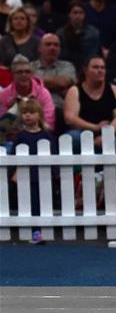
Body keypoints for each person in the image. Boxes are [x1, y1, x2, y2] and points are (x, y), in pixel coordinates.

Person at [9, 98, 57, 244]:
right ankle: (35, 232)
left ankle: (42, 231)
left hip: (43, 176)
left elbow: (54, 156)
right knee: (29, 204)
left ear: (39, 115)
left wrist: (54, 173)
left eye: (31, 112)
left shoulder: (47, 136)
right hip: (25, 176)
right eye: (24, 113)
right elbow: (13, 156)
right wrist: (14, 172)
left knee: (44, 204)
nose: (28, 115)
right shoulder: (20, 136)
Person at [62, 55, 116, 153]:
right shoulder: (75, 90)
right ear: (85, 70)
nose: (100, 71)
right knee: (72, 137)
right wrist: (95, 127)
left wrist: (107, 135)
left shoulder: (114, 90)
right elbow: (70, 118)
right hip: (82, 131)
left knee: (114, 143)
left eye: (102, 68)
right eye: (95, 67)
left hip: (108, 132)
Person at [0, 56, 56, 130]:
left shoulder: (43, 93)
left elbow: (49, 124)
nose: (24, 75)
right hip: (13, 134)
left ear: (32, 74)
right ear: (12, 75)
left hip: (39, 133)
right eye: (19, 72)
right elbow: (2, 128)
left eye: (27, 72)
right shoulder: (4, 95)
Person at [30, 33, 77, 111]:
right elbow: (25, 84)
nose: (52, 48)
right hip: (34, 109)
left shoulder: (67, 66)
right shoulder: (30, 66)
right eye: (48, 44)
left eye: (56, 45)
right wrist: (57, 87)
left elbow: (62, 83)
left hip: (59, 109)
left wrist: (35, 82)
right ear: (39, 48)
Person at [56, 0, 100, 66]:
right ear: (69, 15)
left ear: (84, 15)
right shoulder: (60, 33)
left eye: (81, 13)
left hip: (86, 66)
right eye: (75, 13)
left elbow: (92, 54)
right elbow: (60, 55)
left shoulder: (93, 33)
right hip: (65, 66)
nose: (78, 16)